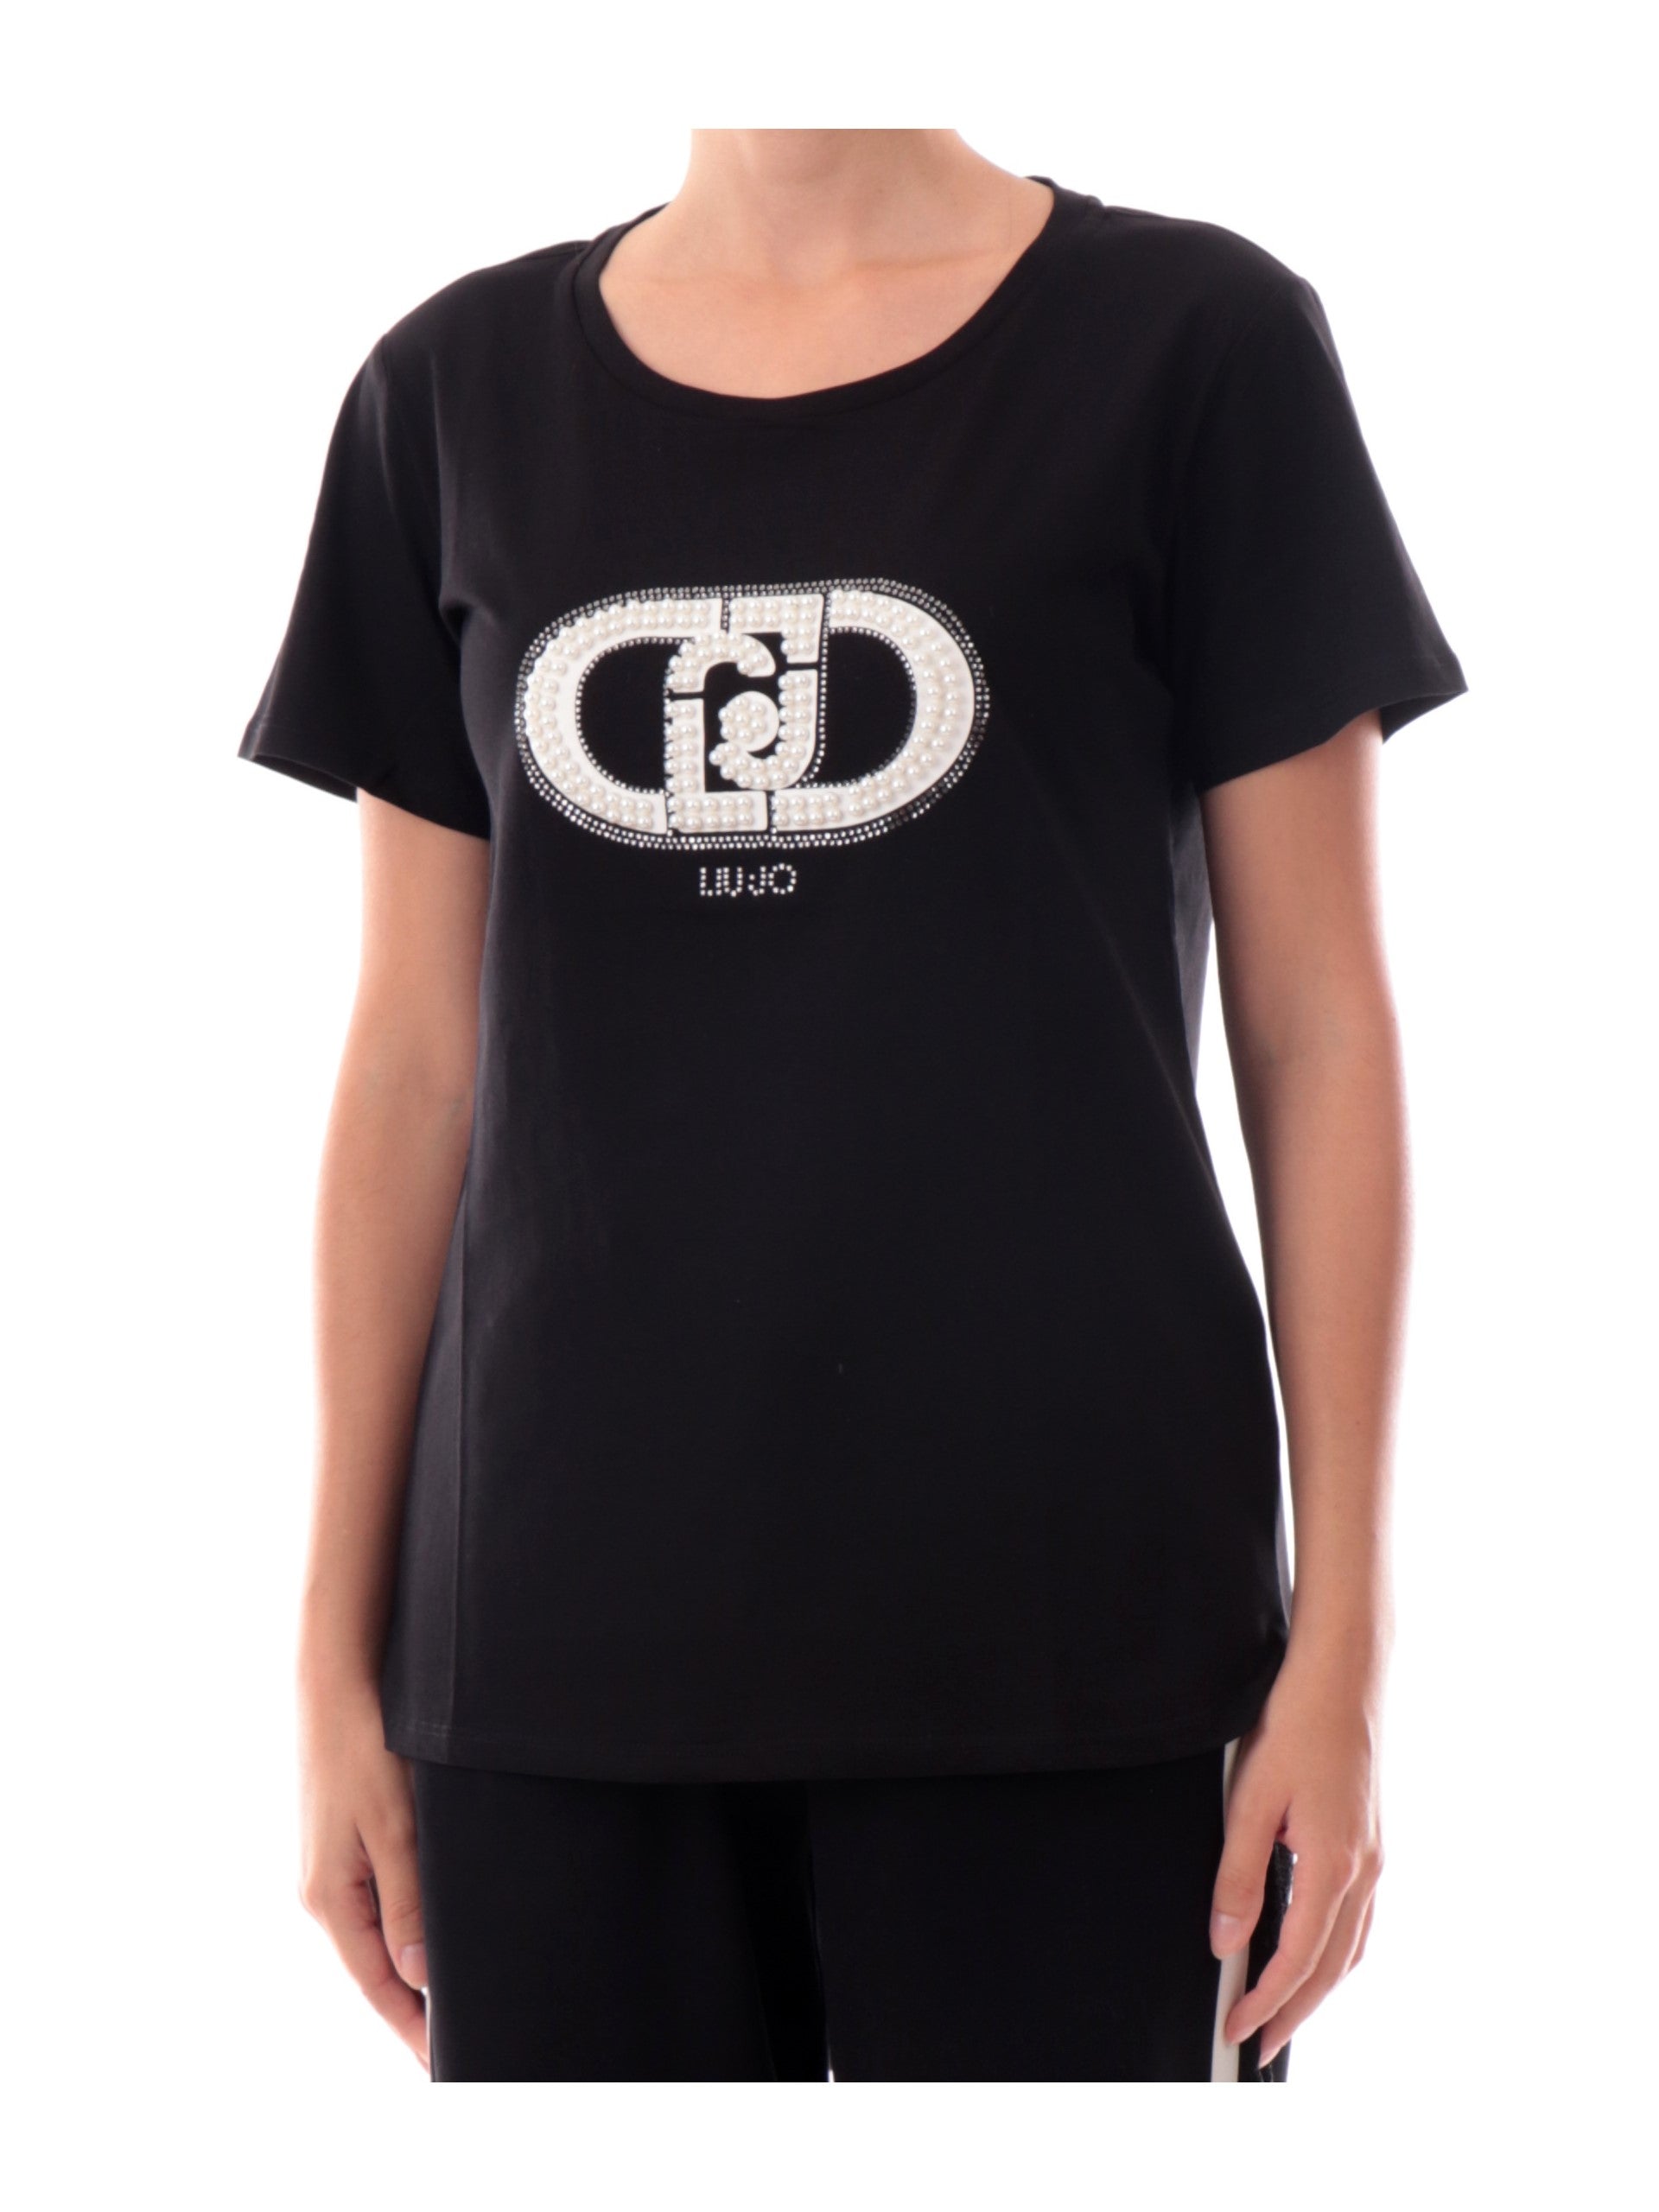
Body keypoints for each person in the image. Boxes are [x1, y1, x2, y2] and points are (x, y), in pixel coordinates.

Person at [240, 130, 1465, 2082]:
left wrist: (1350, 1645)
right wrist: (327, 1663)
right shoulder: (449, 393)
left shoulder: (1198, 344)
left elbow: (1317, 1026)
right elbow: (411, 1057)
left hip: (1080, 1635)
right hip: (552, 1660)